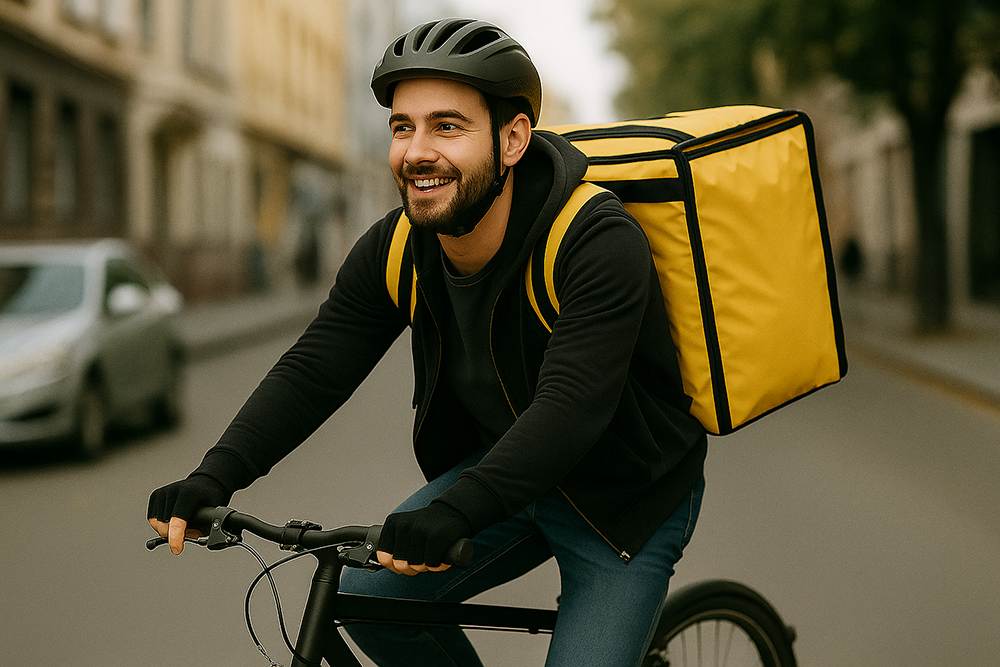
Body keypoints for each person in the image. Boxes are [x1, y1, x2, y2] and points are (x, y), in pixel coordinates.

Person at [148, 17, 708, 667]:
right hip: (509, 475)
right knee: (367, 597)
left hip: (624, 499)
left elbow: (571, 407)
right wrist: (215, 474)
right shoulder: (397, 248)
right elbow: (314, 369)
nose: (416, 151)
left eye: (447, 126)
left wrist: (458, 509)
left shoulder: (594, 240)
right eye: (402, 126)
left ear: (513, 140)